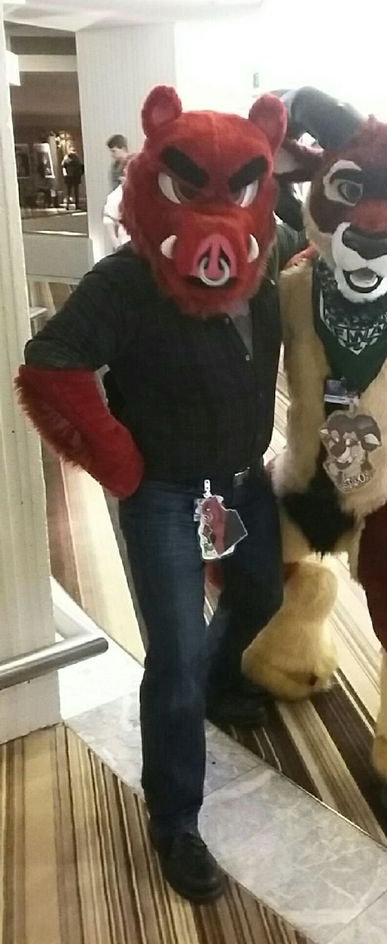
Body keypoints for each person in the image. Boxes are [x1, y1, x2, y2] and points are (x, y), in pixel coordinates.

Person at [16, 85, 304, 904]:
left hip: (244, 481)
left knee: (259, 597)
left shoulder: (273, 243)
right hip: (167, 495)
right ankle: (175, 819)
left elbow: (326, 270)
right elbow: (51, 364)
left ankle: (214, 682)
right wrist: (122, 463)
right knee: (171, 660)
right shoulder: (127, 279)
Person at [102, 167, 129, 249]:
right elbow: (108, 220)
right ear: (121, 178)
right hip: (127, 242)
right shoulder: (115, 196)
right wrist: (116, 244)